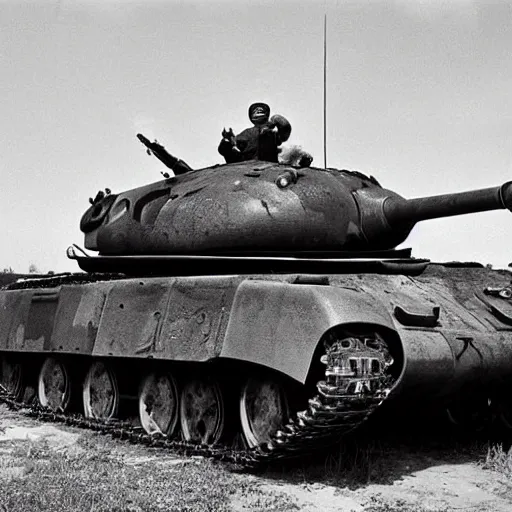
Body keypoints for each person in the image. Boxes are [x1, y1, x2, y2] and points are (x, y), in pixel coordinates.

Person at [218, 103, 291, 163]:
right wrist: (228, 141)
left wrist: (273, 121)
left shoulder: (269, 134)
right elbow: (285, 128)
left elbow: (285, 128)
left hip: (264, 168)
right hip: (249, 168)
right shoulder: (249, 133)